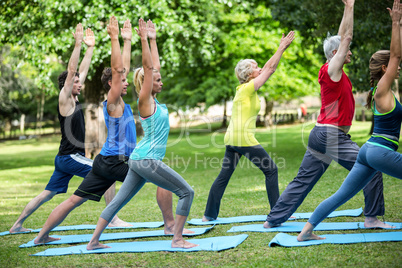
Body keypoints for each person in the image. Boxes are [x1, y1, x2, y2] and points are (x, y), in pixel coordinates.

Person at [33, 19, 193, 245]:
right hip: (117, 161)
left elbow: (122, 69)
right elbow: (119, 70)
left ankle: (42, 236)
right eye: (122, 81)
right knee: (162, 179)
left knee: (75, 200)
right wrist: (115, 40)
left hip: (106, 161)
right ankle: (169, 226)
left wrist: (127, 41)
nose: (126, 83)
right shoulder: (113, 101)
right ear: (111, 83)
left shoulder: (123, 103)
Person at [264, 0, 391, 229]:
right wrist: (350, 8)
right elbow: (346, 37)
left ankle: (273, 219)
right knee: (371, 166)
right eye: (346, 50)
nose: (350, 52)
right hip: (331, 136)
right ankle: (372, 218)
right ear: (336, 53)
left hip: (322, 135)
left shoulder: (332, 70)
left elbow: (342, 37)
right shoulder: (332, 70)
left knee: (303, 180)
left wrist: (348, 7)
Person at [86, 17, 196, 250]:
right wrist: (143, 40)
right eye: (157, 80)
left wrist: (153, 40)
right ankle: (177, 239)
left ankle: (93, 242)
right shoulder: (145, 100)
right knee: (187, 192)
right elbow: (148, 68)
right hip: (146, 159)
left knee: (119, 201)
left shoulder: (154, 99)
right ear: (147, 83)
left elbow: (153, 67)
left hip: (138, 159)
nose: (161, 82)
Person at [298, 0, 402, 241]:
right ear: (386, 68)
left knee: (341, 195)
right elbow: (395, 53)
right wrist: (396, 22)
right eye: (395, 66)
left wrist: (349, 8)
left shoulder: (381, 90)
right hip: (379, 151)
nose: (399, 68)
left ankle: (306, 231)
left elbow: (344, 37)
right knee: (341, 193)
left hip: (368, 151)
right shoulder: (383, 89)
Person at [202, 31, 295, 222]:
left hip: (233, 139)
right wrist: (281, 48)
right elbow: (270, 69)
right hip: (243, 139)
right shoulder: (247, 88)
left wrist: (279, 51)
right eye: (255, 67)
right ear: (248, 73)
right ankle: (276, 215)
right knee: (271, 170)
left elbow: (269, 69)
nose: (259, 68)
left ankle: (208, 215)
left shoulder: (244, 90)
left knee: (224, 177)